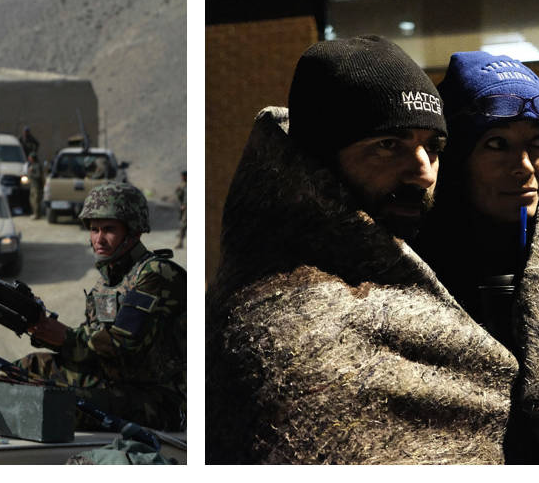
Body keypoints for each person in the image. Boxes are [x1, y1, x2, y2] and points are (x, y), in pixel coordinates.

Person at [205, 36, 521, 465]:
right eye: (388, 144)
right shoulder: (280, 323)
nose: (423, 172)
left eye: (433, 146)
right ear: (319, 157)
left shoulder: (416, 258)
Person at [415, 51, 539, 464]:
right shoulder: (409, 267)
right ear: (455, 160)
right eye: (497, 144)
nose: (525, 166)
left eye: (538, 144)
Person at [0, 181, 186, 432]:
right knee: (31, 366)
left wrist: (66, 337)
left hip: (157, 400)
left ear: (134, 232)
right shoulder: (107, 282)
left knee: (53, 399)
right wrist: (45, 331)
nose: (98, 239)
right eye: (94, 229)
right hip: (113, 381)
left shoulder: (157, 274)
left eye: (108, 229)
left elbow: (125, 342)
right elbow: (93, 344)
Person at [26, 151, 44, 219]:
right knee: (31, 200)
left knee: (36, 201)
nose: (29, 158)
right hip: (32, 185)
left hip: (37, 186)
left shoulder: (37, 165)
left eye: (30, 157)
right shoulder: (31, 165)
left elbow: (38, 175)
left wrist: (32, 173)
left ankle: (37, 214)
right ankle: (34, 213)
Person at [174, 170, 186, 249]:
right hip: (184, 207)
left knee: (183, 224)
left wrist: (184, 204)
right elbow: (180, 195)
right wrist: (177, 190)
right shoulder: (183, 184)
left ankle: (180, 242)